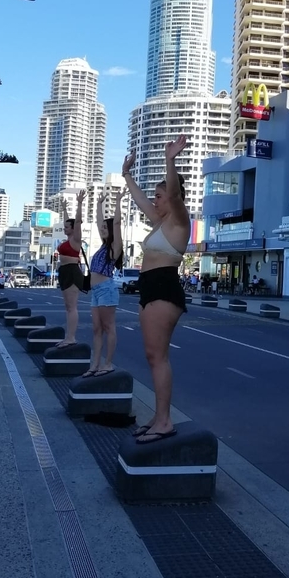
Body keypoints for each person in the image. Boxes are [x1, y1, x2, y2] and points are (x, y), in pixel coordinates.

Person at [121, 136, 190, 443]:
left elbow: (174, 195)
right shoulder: (159, 223)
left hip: (164, 287)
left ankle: (165, 421)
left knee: (157, 356)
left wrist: (170, 160)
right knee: (152, 356)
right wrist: (126, 174)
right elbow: (140, 200)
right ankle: (159, 417)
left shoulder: (178, 220)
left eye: (159, 196)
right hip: (149, 287)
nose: (156, 200)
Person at [81, 190, 124, 377]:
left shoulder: (116, 247)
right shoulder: (102, 246)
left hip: (107, 290)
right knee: (97, 329)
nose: (102, 230)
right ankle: (95, 364)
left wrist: (117, 201)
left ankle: (108, 364)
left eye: (106, 229)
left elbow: (116, 223)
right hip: (96, 291)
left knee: (109, 328)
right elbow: (100, 223)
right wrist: (98, 205)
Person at [55, 190, 87, 347]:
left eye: (67, 227)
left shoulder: (75, 239)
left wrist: (80, 203)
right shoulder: (68, 239)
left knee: (72, 307)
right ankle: (69, 337)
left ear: (73, 229)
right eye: (64, 226)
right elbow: (69, 220)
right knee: (68, 307)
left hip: (72, 272)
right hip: (64, 272)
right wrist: (64, 208)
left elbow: (78, 221)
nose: (64, 228)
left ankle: (71, 337)